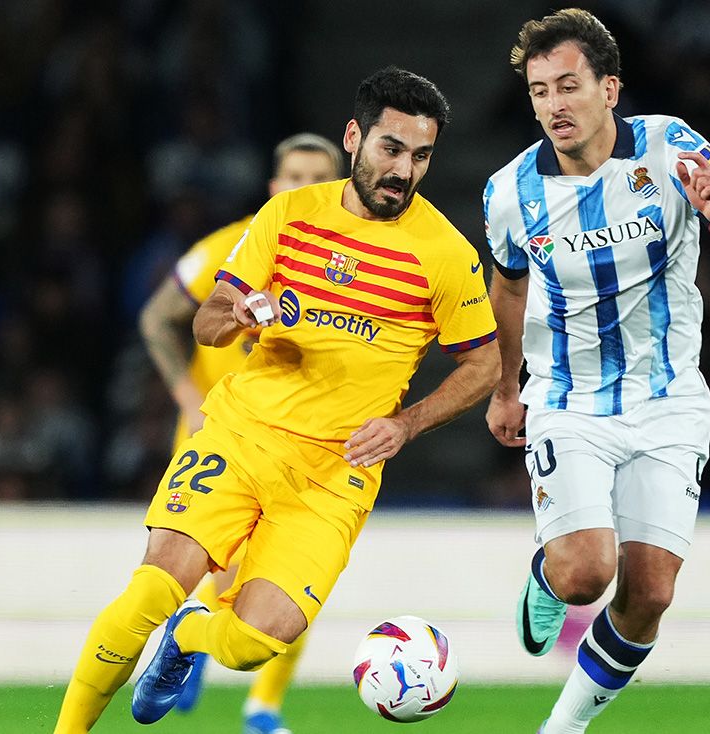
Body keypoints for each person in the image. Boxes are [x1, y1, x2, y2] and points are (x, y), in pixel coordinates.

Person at [54, 66, 500, 733]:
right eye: (391, 149)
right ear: (355, 137)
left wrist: (407, 426)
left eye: (421, 155)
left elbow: (485, 365)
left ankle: (190, 638)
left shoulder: (445, 253)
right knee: (148, 590)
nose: (404, 170)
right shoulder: (287, 216)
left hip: (332, 477)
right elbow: (205, 319)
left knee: (255, 642)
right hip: (241, 436)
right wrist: (239, 317)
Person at [482, 9, 710, 734]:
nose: (554, 105)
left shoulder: (674, 149)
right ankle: (548, 575)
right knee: (587, 572)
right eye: (539, 91)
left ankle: (564, 727)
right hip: (568, 399)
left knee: (648, 593)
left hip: (669, 398)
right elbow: (510, 288)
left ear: (609, 88)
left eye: (568, 86)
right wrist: (504, 386)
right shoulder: (508, 193)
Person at [137, 132, 343, 733]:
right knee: (213, 572)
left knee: (297, 579)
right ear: (274, 188)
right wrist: (186, 395)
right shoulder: (230, 247)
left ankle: (260, 707)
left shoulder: (350, 265)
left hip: (304, 444)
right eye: (294, 178)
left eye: (318, 179)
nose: (305, 189)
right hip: (219, 436)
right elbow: (157, 318)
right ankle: (190, 637)